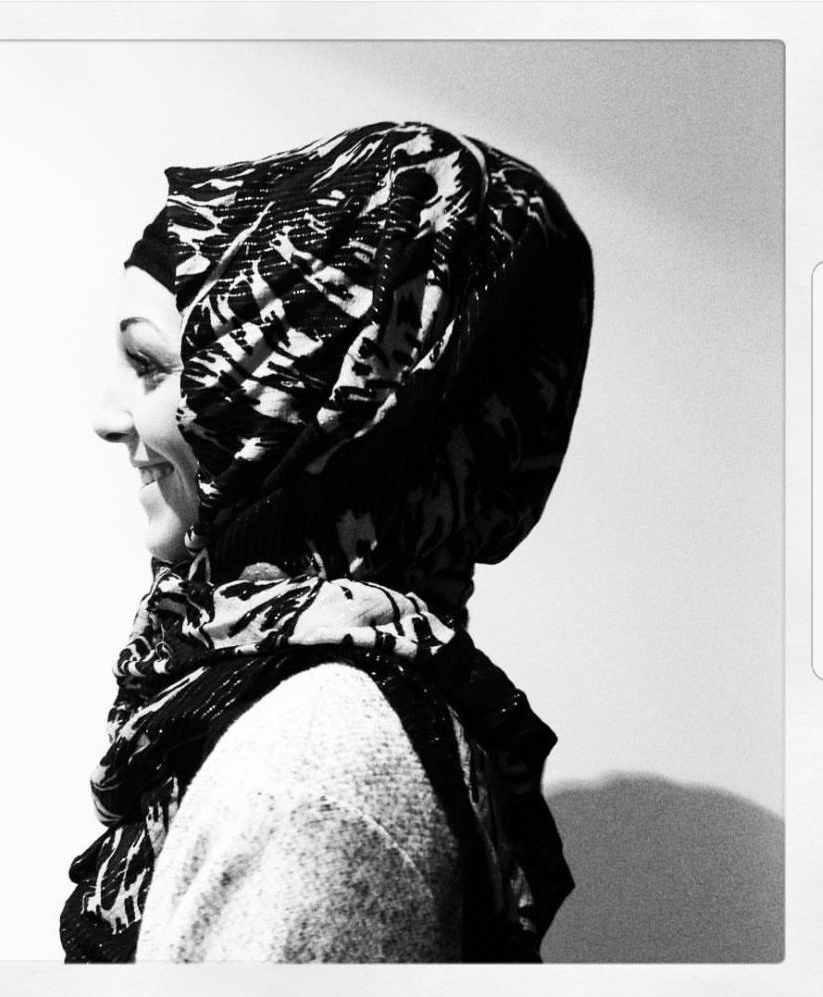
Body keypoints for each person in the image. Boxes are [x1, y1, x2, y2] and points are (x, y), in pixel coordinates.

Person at [59, 121, 593, 963]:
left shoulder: (311, 783)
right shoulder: (262, 695)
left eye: (151, 365)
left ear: (305, 416)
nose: (105, 415)